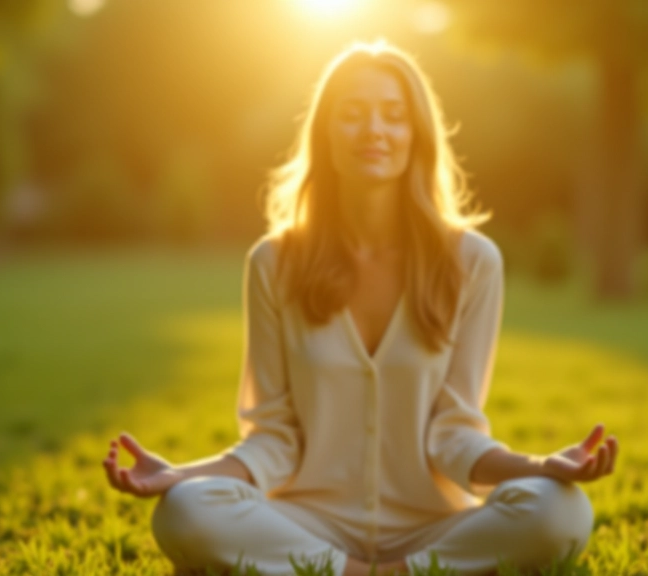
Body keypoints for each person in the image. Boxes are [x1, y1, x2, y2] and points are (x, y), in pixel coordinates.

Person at [102, 40, 619, 576]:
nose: (374, 130)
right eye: (352, 114)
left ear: (416, 135)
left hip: (433, 525)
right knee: (185, 510)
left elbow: (454, 435)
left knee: (561, 510)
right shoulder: (273, 263)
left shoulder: (472, 262)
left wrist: (540, 466)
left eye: (394, 115)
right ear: (325, 133)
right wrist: (181, 476)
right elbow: (275, 436)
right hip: (308, 523)